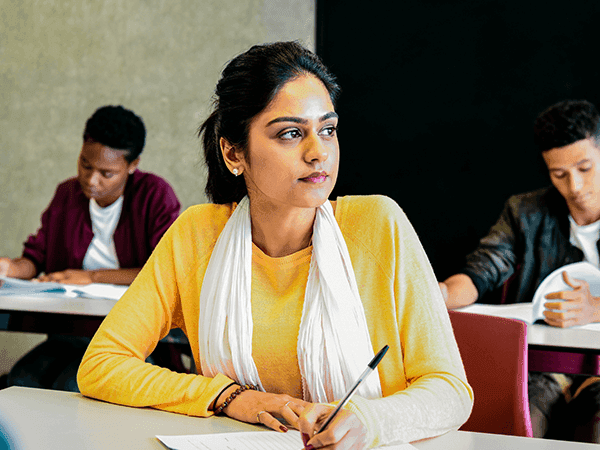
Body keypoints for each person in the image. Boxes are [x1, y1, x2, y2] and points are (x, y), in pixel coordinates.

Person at [77, 42, 472, 449]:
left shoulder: (378, 226)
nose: (318, 152)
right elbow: (101, 364)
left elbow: (450, 391)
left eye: (328, 130)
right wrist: (230, 397)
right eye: (291, 133)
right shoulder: (196, 235)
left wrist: (366, 421)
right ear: (233, 152)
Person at [440, 99, 600, 442]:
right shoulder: (526, 211)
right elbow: (483, 270)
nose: (574, 186)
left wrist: (595, 308)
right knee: (521, 413)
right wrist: (442, 294)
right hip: (543, 366)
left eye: (585, 168)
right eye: (559, 174)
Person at [0, 105, 181, 391]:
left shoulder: (155, 195)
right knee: (20, 382)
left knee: (73, 388)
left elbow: (166, 273)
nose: (91, 179)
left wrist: (92, 277)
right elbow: (36, 258)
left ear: (132, 166)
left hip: (130, 339)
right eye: (85, 165)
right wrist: (10, 268)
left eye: (106, 173)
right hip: (71, 332)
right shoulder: (67, 194)